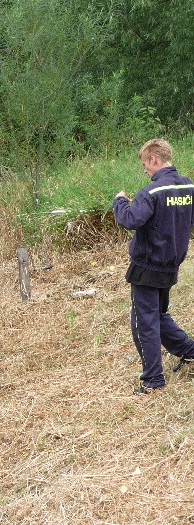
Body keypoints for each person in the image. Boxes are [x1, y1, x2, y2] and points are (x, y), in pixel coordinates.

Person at [113, 138, 194, 395]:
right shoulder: (189, 187)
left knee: (143, 322)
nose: (145, 171)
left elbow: (130, 219)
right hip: (171, 265)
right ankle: (190, 352)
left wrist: (120, 201)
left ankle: (153, 381)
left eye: (145, 165)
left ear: (154, 160)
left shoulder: (152, 192)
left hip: (148, 267)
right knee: (157, 316)